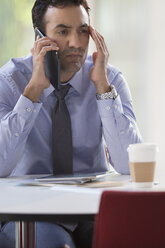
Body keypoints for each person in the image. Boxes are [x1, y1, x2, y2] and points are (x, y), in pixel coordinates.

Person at [0, 0, 142, 247]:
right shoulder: (10, 81)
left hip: (92, 210)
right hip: (29, 212)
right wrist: (33, 92)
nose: (76, 43)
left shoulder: (109, 79)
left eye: (83, 31)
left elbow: (128, 165)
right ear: (39, 37)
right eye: (63, 32)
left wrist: (103, 89)